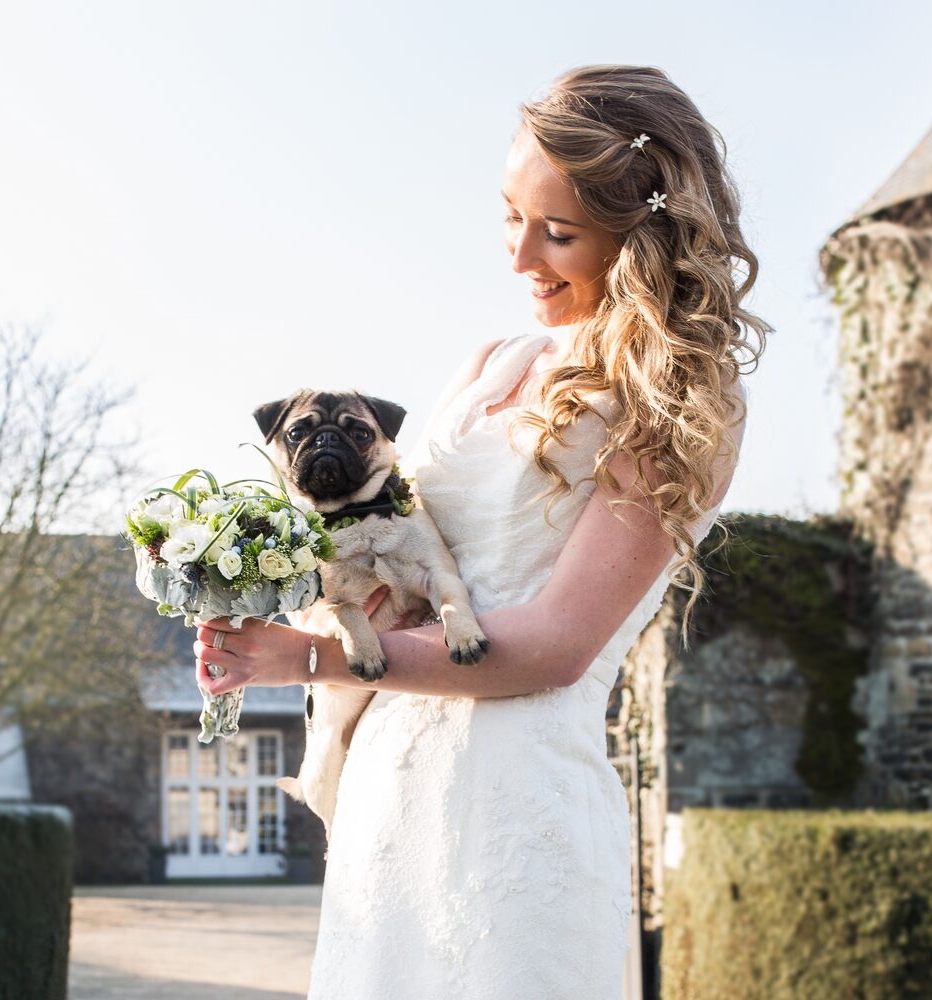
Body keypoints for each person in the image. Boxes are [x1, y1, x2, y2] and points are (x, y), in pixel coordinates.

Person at [195, 64, 768, 999]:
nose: (518, 256)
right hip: (390, 795)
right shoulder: (491, 362)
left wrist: (305, 662)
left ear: (641, 238)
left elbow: (553, 647)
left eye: (559, 232)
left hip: (517, 801)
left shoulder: (678, 403)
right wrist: (265, 608)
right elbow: (392, 563)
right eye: (510, 213)